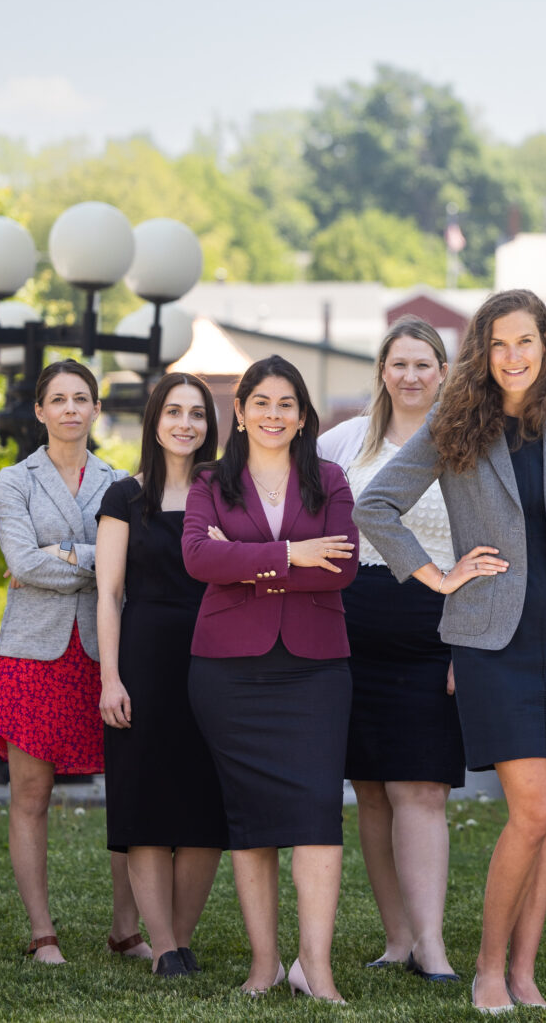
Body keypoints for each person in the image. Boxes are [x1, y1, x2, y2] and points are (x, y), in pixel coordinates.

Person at [354, 288, 546, 1014]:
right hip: (488, 639)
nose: (512, 357)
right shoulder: (455, 423)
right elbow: (374, 505)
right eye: (498, 344)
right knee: (530, 808)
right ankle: (486, 969)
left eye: (525, 342)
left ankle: (524, 974)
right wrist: (439, 575)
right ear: (482, 349)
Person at [181, 355, 357, 1001]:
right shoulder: (210, 481)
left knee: (317, 816)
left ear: (304, 415)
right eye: (262, 402)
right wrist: (290, 553)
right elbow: (199, 556)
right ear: (241, 410)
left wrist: (247, 559)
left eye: (287, 404)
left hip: (314, 668)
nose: (273, 414)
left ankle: (317, 966)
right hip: (228, 669)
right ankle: (265, 964)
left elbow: (340, 568)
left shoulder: (330, 479)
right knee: (249, 819)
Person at [317, 318, 465, 981]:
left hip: (437, 628)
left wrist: (471, 644)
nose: (410, 375)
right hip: (350, 627)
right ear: (382, 370)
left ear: (443, 371)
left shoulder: (465, 443)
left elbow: (487, 547)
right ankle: (397, 937)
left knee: (422, 788)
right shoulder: (347, 441)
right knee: (370, 789)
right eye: (398, 363)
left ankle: (432, 944)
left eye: (423, 364)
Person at [0, 359, 147, 966]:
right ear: (39, 410)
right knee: (31, 794)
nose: (71, 409)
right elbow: (23, 564)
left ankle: (125, 928)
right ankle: (42, 932)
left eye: (82, 398)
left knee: (126, 791)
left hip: (107, 653)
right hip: (35, 654)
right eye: (59, 399)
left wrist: (63, 553)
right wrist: (98, 557)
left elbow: (131, 565)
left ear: (97, 409)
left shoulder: (123, 482)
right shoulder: (14, 481)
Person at [96, 373, 228, 978]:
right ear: (154, 420)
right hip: (144, 661)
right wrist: (111, 680)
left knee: (206, 805)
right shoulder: (124, 497)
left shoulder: (229, 493)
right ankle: (165, 947)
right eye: (173, 411)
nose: (185, 423)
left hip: (216, 658)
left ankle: (180, 938)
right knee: (145, 803)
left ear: (210, 425)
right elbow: (109, 594)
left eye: (197, 414)